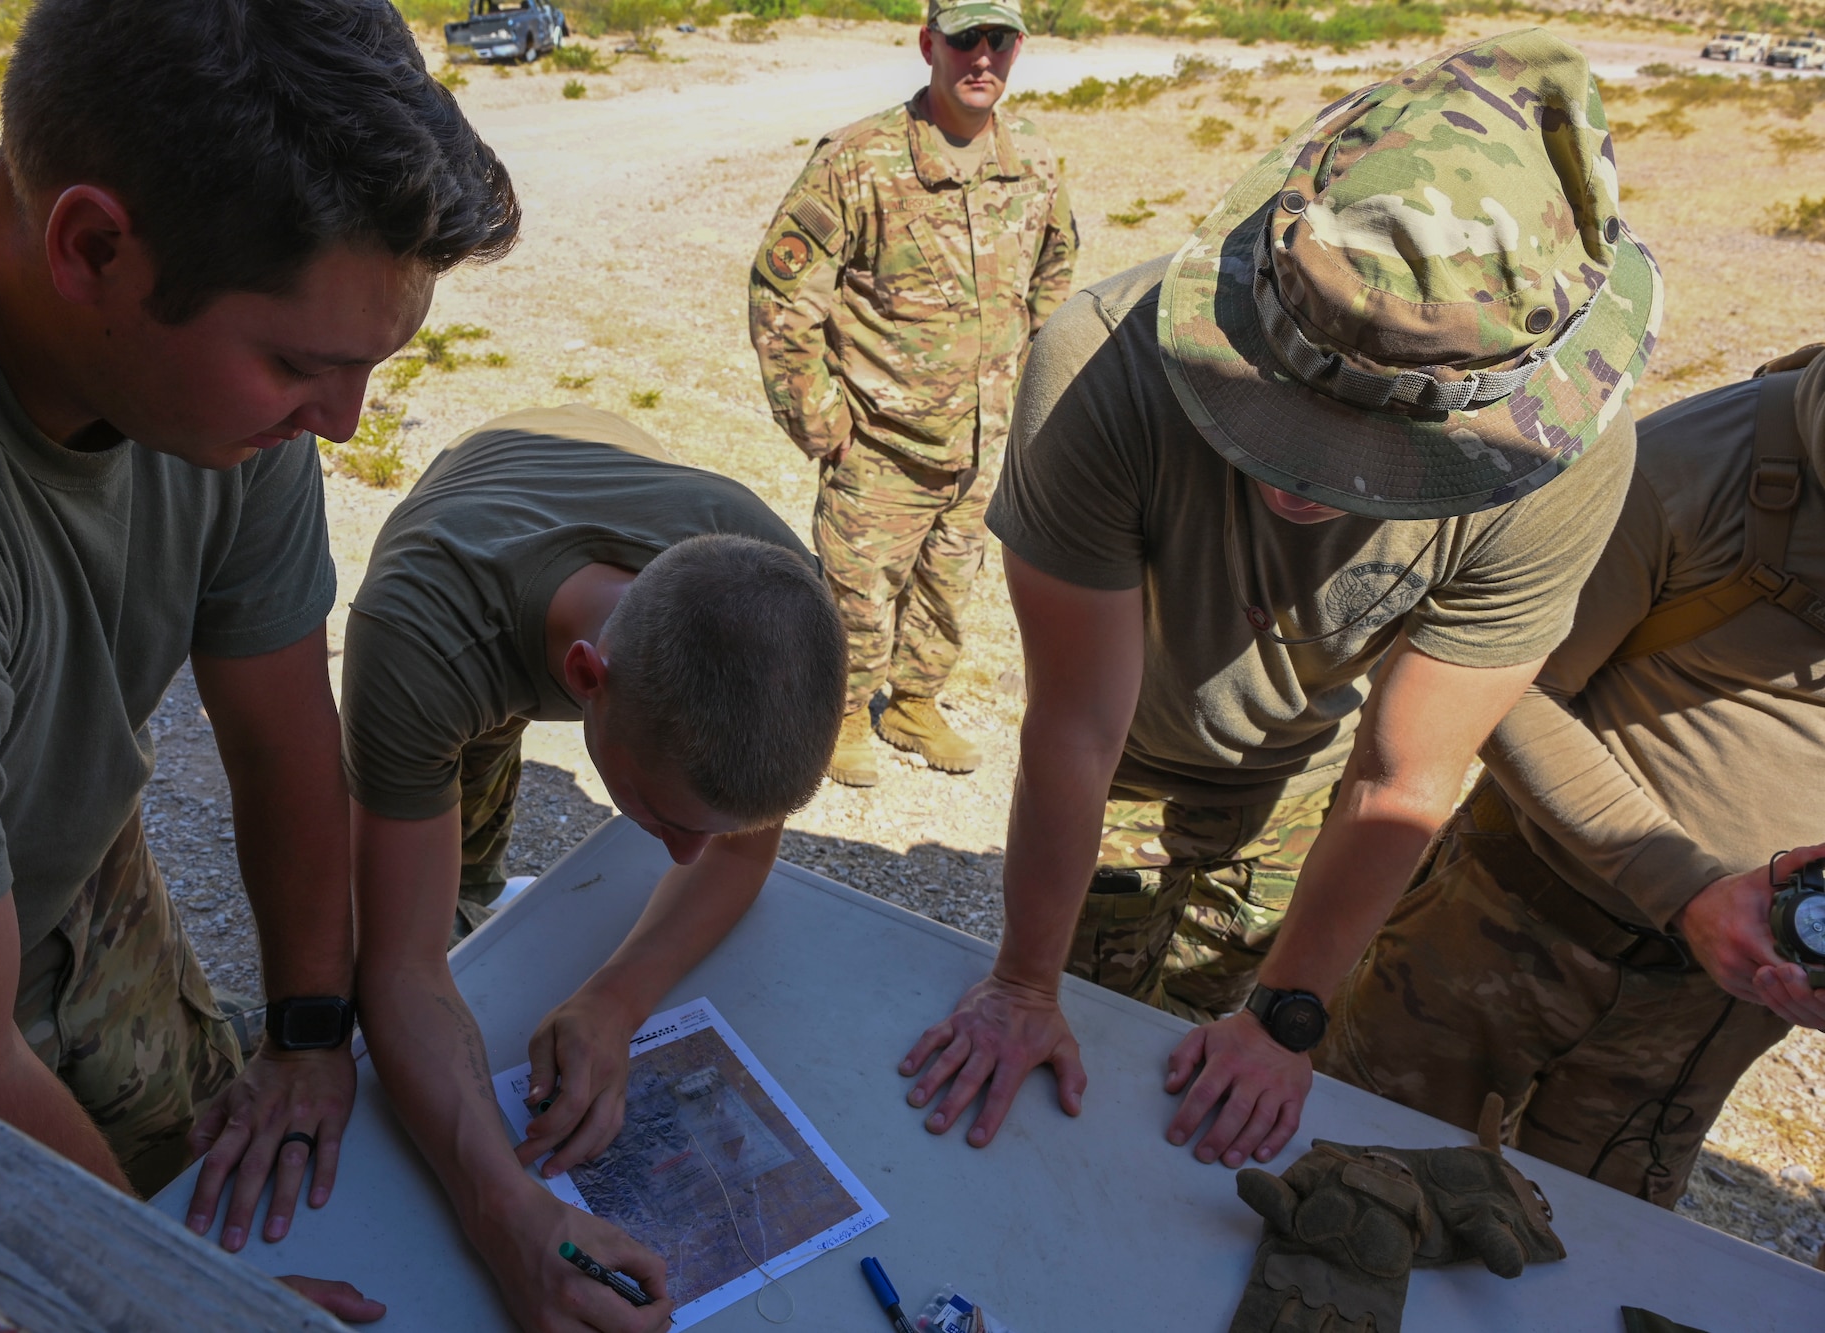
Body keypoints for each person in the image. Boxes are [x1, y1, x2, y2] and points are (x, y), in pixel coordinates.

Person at [0, 0, 516, 1318]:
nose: (344, 422)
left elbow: (281, 728)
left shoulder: (220, 379)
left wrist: (311, 1028)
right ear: (90, 246)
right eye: (300, 366)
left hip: (63, 874)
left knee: (213, 1166)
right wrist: (188, 1300)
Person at [898, 30, 1663, 1167]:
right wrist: (1021, 982)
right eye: (1284, 415)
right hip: (1120, 776)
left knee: (1204, 1121)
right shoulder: (1100, 368)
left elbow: (1404, 770)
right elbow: (1073, 725)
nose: (1312, 481)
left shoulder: (1560, 460)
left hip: (1312, 797)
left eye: (1385, 450)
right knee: (1069, 1103)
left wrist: (1283, 1014)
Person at [342, 405, 846, 1331]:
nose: (689, 855)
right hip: (479, 518)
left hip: (603, 462)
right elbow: (399, 971)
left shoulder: (769, 593)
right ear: (583, 678)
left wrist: (615, 998)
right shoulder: (420, 643)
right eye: (664, 818)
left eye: (705, 830)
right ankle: (473, 885)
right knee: (433, 866)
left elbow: (741, 837)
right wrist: (506, 1213)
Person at [1316, 345, 1825, 1207]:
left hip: (1715, 1008)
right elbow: (1492, 682)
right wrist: (1688, 890)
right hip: (1515, 928)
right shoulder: (1692, 470)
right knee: (1362, 1189)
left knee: (1594, 1252)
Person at [748, 0, 1076, 788]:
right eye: (965, 39)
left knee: (948, 588)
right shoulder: (857, 162)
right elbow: (780, 296)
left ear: (1019, 47)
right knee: (856, 599)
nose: (982, 58)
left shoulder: (1033, 161)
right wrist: (821, 422)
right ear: (930, 43)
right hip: (880, 443)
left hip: (980, 438)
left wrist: (1028, 390)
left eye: (999, 40)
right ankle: (836, 718)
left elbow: (1055, 272)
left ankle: (915, 702)